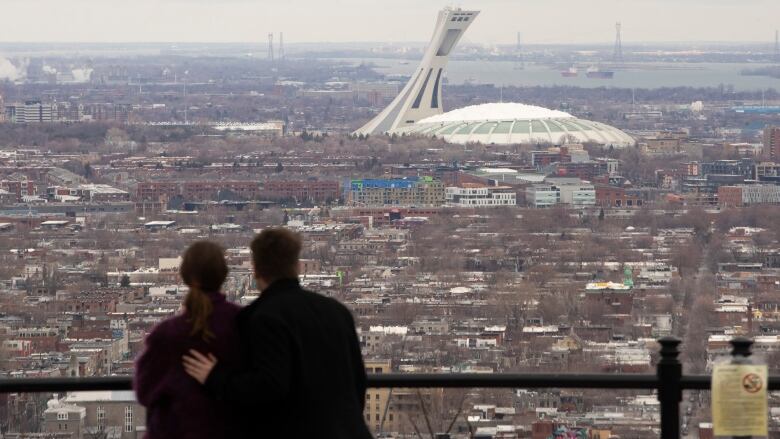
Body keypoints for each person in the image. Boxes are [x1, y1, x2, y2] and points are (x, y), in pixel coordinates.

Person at [183, 228, 372, 438]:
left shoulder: (261, 317)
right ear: (297, 266)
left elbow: (268, 386)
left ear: (255, 270)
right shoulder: (337, 312)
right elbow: (358, 382)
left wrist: (216, 378)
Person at [135, 241, 241, 439]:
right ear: (224, 274)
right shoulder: (243, 324)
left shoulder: (167, 334)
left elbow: (144, 391)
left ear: (185, 276)